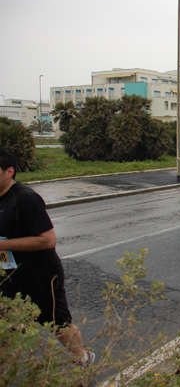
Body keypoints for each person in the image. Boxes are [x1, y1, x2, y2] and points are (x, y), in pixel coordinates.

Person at [0, 148, 95, 367]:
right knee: (7, 324)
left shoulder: (26, 198)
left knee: (58, 325)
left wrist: (3, 245)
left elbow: (47, 240)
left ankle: (83, 359)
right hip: (10, 276)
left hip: (40, 276)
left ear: (9, 171)